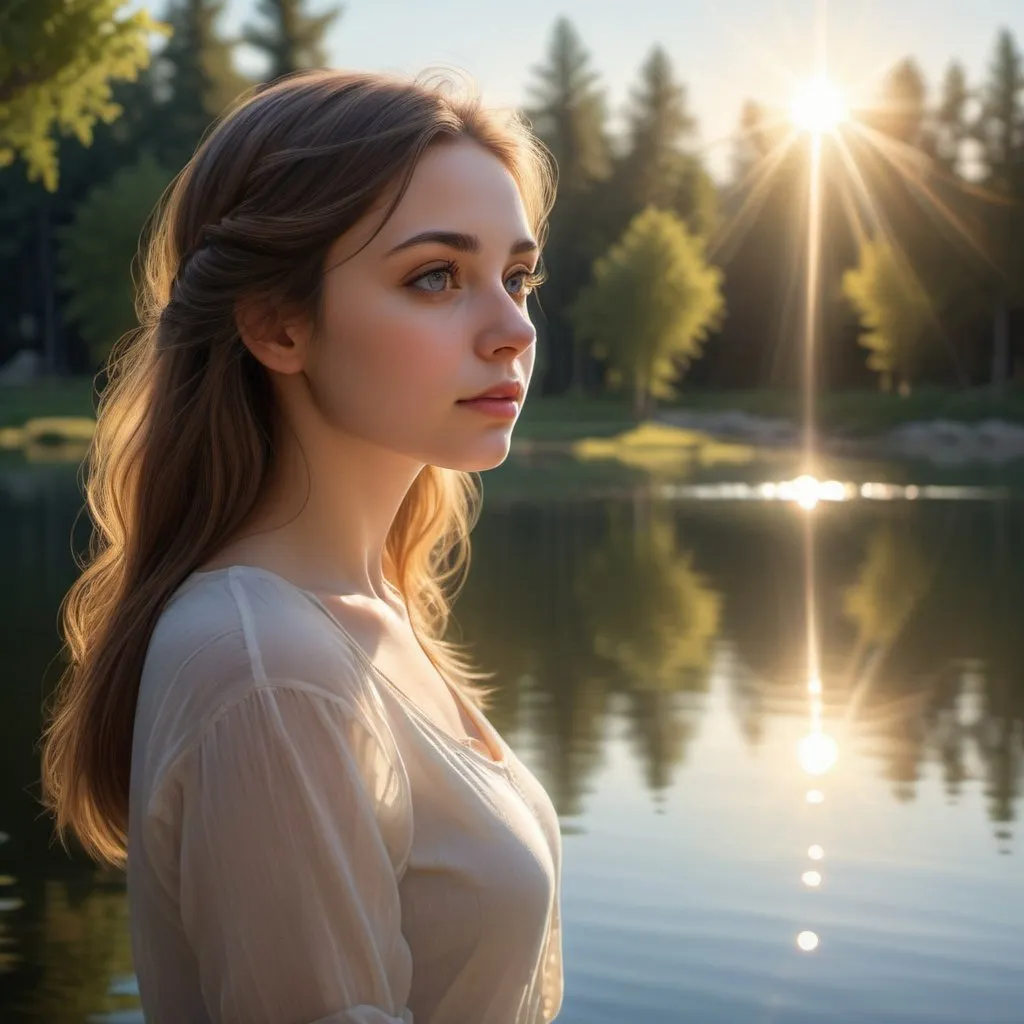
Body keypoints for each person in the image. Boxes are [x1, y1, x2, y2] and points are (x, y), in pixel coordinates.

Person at [39, 68, 563, 1023]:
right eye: (436, 276)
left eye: (517, 276)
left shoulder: (360, 616)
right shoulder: (269, 670)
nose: (513, 328)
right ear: (277, 325)